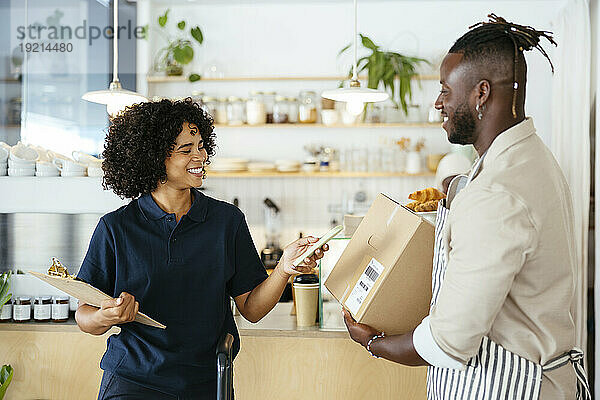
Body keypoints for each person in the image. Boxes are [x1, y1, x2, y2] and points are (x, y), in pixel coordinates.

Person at [343, 14, 591, 398]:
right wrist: (451, 187)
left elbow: (447, 340)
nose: (438, 103)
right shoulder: (530, 159)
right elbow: (477, 196)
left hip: (509, 387)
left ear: (481, 94)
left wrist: (373, 343)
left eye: (445, 90)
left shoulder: (495, 193)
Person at [75, 98, 329, 399]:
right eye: (187, 149)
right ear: (154, 157)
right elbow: (85, 316)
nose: (201, 156)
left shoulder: (226, 221)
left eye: (201, 145)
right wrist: (108, 316)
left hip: (208, 383)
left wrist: (285, 268)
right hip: (134, 382)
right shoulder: (116, 227)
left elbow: (252, 309)